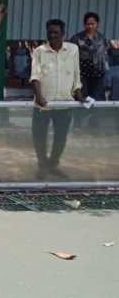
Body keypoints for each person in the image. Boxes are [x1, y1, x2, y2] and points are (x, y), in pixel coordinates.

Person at [30, 19, 85, 179]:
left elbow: (76, 74)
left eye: (56, 32)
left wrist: (79, 94)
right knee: (39, 136)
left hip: (64, 102)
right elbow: (35, 75)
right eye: (50, 32)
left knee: (61, 137)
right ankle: (42, 165)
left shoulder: (72, 49)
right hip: (43, 103)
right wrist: (39, 96)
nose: (52, 35)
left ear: (63, 33)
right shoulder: (39, 51)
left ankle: (53, 165)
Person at [69, 12, 109, 128]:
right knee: (81, 99)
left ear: (97, 24)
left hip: (98, 74)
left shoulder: (101, 37)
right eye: (87, 24)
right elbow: (70, 54)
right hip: (82, 75)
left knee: (96, 100)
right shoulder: (76, 38)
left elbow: (105, 54)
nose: (90, 26)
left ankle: (93, 126)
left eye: (93, 24)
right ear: (84, 24)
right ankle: (78, 125)